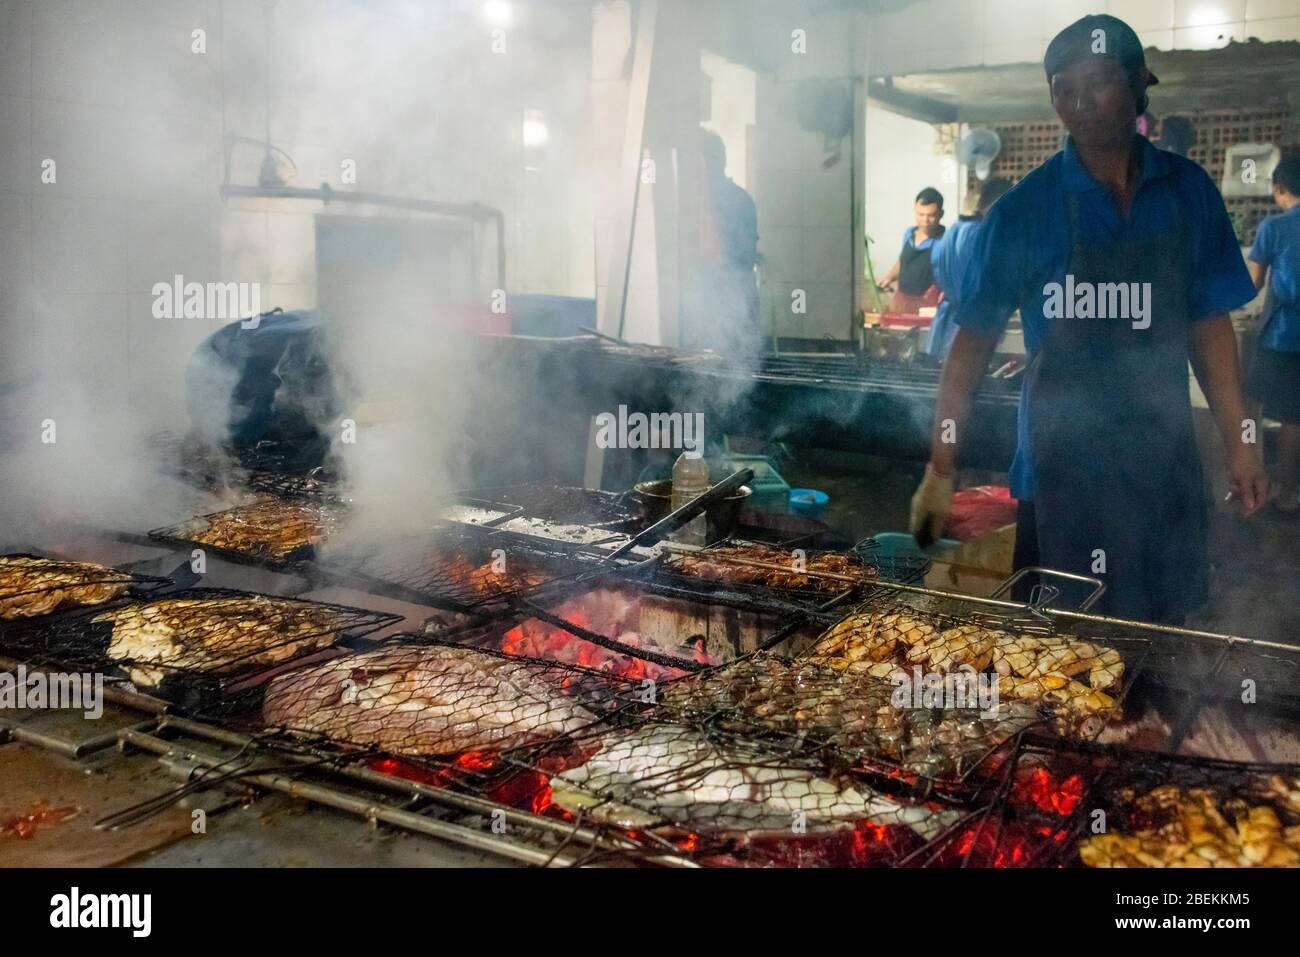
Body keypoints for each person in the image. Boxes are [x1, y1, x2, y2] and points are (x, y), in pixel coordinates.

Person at [908, 13, 1268, 624]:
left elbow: (1209, 325)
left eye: (1098, 81)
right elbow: (972, 343)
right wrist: (940, 468)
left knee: (1161, 642)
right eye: (1062, 86)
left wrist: (1242, 441)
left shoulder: (1188, 193)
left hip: (1162, 463)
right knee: (1062, 654)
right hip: (1062, 475)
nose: (1079, 101)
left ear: (1139, 81)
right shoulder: (1025, 211)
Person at [1246, 153, 1300, 514]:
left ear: (1281, 189)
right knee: (1295, 417)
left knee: (1251, 403)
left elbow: (1253, 282)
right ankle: (1289, 493)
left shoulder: (1274, 227)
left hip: (1281, 338)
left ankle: (1252, 481)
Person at [680, 129, 760, 353]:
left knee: (737, 371)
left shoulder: (735, 200)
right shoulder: (691, 200)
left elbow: (742, 258)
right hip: (705, 311)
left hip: (734, 307)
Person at [925, 176, 1014, 360]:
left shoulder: (953, 229)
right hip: (967, 329)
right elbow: (983, 288)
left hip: (944, 321)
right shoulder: (980, 235)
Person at [879, 187, 945, 313]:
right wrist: (889, 277)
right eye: (921, 214)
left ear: (941, 214)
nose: (925, 220)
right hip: (902, 302)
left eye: (931, 215)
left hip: (928, 307)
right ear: (915, 211)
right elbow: (903, 261)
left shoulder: (944, 242)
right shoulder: (909, 234)